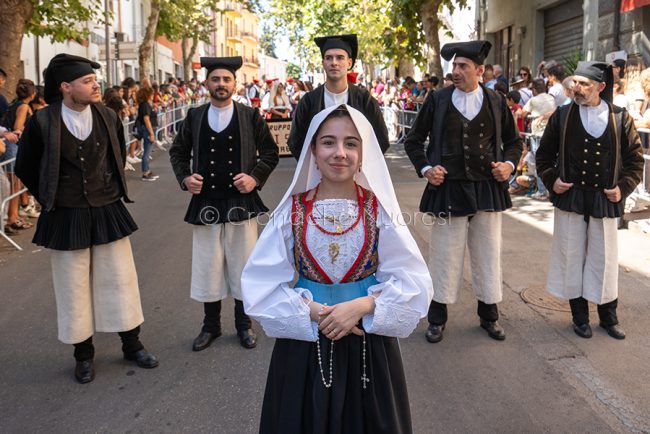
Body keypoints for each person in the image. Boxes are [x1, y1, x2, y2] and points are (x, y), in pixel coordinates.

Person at [241, 104, 432, 433]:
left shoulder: (379, 211)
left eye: (351, 143)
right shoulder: (292, 212)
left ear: (363, 153)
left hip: (368, 346)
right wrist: (314, 311)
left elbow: (413, 281)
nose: (339, 153)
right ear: (313, 151)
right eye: (328, 142)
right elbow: (259, 285)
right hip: (306, 344)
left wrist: (363, 304)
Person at [15, 54, 158, 384]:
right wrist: (50, 196)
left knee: (120, 281)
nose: (96, 85)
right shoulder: (42, 121)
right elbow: (25, 166)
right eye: (87, 81)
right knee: (72, 288)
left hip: (107, 208)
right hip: (65, 214)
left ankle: (132, 344)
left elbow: (117, 154)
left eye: (95, 80)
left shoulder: (108, 114)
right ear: (66, 87)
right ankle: (83, 355)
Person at [404, 40, 522, 343]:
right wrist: (427, 169)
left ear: (479, 70)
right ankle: (437, 318)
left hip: (486, 188)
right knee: (444, 254)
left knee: (487, 253)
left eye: (462, 66)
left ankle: (489, 316)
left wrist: (509, 165)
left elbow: (514, 141)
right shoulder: (438, 99)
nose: (455, 71)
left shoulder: (496, 101)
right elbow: (414, 140)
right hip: (449, 189)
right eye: (453, 66)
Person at [169, 56, 279, 351]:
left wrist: (255, 178)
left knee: (243, 266)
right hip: (205, 202)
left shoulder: (250, 115)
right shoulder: (193, 116)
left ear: (235, 84)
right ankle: (211, 326)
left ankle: (244, 325)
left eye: (226, 79)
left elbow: (270, 152)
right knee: (208, 266)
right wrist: (185, 179)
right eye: (215, 79)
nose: (221, 84)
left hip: (240, 202)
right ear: (206, 83)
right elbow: (178, 152)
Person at [535, 61, 644, 340]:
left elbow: (634, 160)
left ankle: (609, 317)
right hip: (571, 197)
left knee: (604, 259)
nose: (577, 89)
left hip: (604, 199)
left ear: (601, 87)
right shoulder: (562, 116)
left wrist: (622, 188)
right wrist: (552, 181)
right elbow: (544, 155)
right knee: (571, 257)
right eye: (575, 83)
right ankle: (579, 317)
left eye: (584, 84)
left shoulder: (620, 117)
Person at [287, 34, 389, 159]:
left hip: (356, 174)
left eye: (340, 58)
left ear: (349, 62)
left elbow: (381, 139)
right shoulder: (309, 101)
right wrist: (316, 167)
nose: (334, 63)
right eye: (329, 58)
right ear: (323, 63)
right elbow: (295, 142)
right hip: (318, 174)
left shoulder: (364, 100)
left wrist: (360, 165)